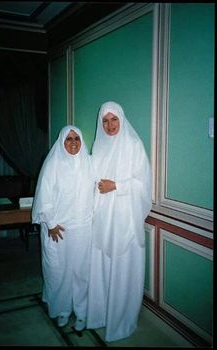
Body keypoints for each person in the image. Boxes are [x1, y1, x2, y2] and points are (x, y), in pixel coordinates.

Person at [86, 101, 152, 342]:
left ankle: (122, 319)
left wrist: (116, 185)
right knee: (102, 267)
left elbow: (144, 185)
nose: (110, 125)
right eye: (105, 120)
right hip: (102, 219)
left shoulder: (134, 145)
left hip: (125, 220)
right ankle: (101, 313)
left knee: (123, 269)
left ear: (122, 120)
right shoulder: (98, 146)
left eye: (114, 119)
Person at [32, 125, 95, 331]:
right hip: (57, 228)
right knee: (58, 271)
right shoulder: (53, 165)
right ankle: (62, 309)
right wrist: (50, 223)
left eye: (77, 138)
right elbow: (44, 196)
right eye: (69, 139)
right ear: (61, 142)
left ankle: (82, 312)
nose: (74, 142)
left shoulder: (89, 163)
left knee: (81, 271)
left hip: (83, 227)